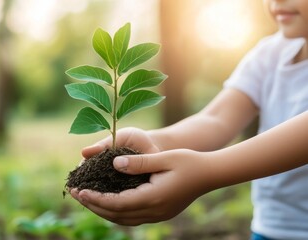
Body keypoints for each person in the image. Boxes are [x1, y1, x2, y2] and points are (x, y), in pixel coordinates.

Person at [69, 0, 308, 239]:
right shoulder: (269, 55)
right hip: (269, 228)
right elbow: (216, 119)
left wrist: (206, 172)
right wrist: (156, 143)